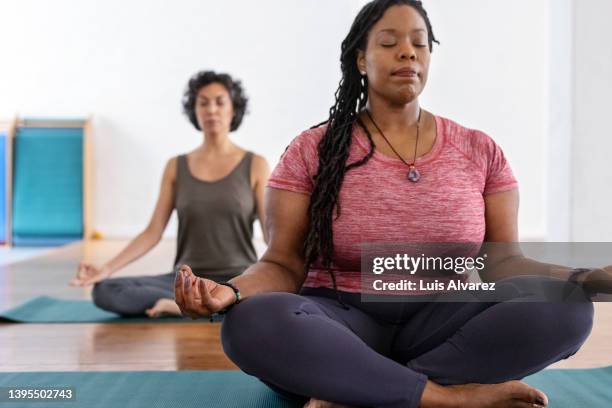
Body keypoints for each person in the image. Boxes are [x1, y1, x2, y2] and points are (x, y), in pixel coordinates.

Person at [174, 1, 610, 407]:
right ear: (361, 59)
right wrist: (230, 292)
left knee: (568, 306)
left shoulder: (479, 150)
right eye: (389, 43)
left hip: (444, 319)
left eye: (419, 43)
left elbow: (503, 263)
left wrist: (586, 277)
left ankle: (361, 389)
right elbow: (282, 264)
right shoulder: (312, 149)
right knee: (252, 322)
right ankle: (450, 398)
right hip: (339, 321)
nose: (407, 53)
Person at [71, 71, 270, 318]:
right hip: (185, 281)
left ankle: (201, 304)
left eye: (220, 102)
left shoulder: (256, 165)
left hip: (237, 279)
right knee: (106, 291)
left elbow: (272, 234)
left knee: (271, 295)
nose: (211, 110)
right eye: (203, 102)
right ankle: (187, 304)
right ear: (194, 110)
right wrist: (105, 269)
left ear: (234, 109)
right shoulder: (176, 166)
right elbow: (153, 232)